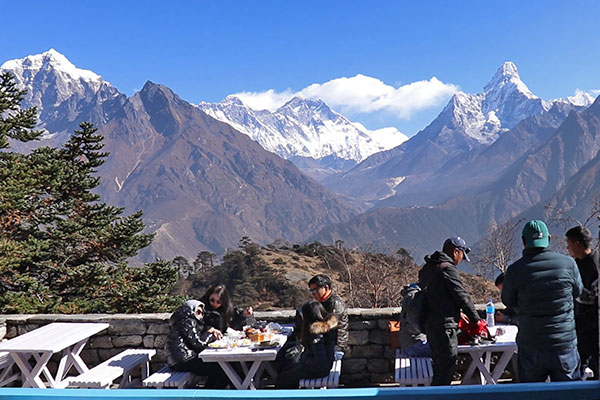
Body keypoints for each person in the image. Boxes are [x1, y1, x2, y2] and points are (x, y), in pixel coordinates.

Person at [502, 220, 583, 382]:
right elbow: (578, 292)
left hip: (531, 344)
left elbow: (508, 301)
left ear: (524, 241)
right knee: (569, 393)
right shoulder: (568, 264)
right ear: (549, 239)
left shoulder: (514, 271)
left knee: (533, 393)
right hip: (563, 343)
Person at [418, 236, 480, 386]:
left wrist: (457, 312)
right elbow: (462, 296)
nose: (460, 260)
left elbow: (437, 297)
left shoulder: (428, 268)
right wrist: (476, 320)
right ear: (455, 252)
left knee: (439, 366)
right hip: (444, 326)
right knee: (445, 369)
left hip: (430, 325)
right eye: (461, 255)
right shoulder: (447, 269)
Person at [164, 299, 229, 388]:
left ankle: (209, 393)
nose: (201, 315)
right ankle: (208, 395)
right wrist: (210, 333)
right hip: (183, 360)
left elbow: (196, 338)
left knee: (221, 368)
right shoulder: (187, 321)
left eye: (202, 313)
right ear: (190, 310)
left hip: (179, 360)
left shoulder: (183, 320)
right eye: (198, 311)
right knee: (222, 370)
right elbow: (199, 344)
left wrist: (209, 331)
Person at [276, 301, 338, 388]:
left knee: (283, 378)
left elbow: (320, 362)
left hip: (318, 370)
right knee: (288, 366)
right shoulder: (327, 326)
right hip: (325, 364)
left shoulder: (316, 332)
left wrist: (304, 361)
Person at [566, 225, 599, 378]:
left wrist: (578, 321)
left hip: (593, 333)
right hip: (579, 332)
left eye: (569, 244)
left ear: (577, 243)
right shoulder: (575, 265)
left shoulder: (594, 267)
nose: (567, 248)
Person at [307, 274, 348, 357]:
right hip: (325, 343)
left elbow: (333, 325)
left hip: (335, 347)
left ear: (325, 288)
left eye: (315, 291)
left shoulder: (336, 303)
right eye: (311, 292)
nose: (313, 294)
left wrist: (339, 348)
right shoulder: (322, 301)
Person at [398, 284, 431, 357]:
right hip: (414, 345)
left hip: (409, 343)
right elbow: (414, 326)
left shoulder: (409, 296)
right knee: (444, 351)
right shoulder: (413, 297)